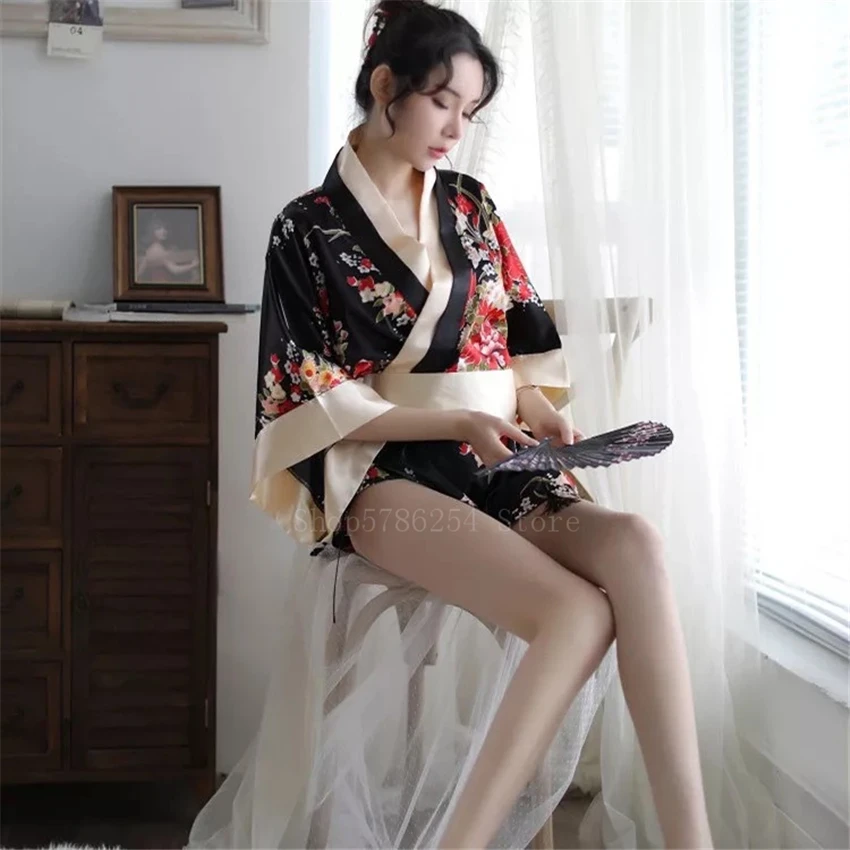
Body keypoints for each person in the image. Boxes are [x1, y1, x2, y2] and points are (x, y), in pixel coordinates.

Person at [194, 2, 714, 848]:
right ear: (385, 86)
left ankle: (692, 840)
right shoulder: (307, 226)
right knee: (576, 614)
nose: (455, 130)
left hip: (493, 460)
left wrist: (535, 407)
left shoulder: (471, 205)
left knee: (637, 546)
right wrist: (457, 422)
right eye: (442, 103)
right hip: (383, 471)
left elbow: (518, 333)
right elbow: (301, 391)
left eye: (468, 112)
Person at [135, 217, 200, 284]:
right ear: (152, 231)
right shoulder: (156, 249)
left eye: (165, 228)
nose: (163, 231)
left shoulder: (158, 247)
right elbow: (175, 270)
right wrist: (193, 265)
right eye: (158, 228)